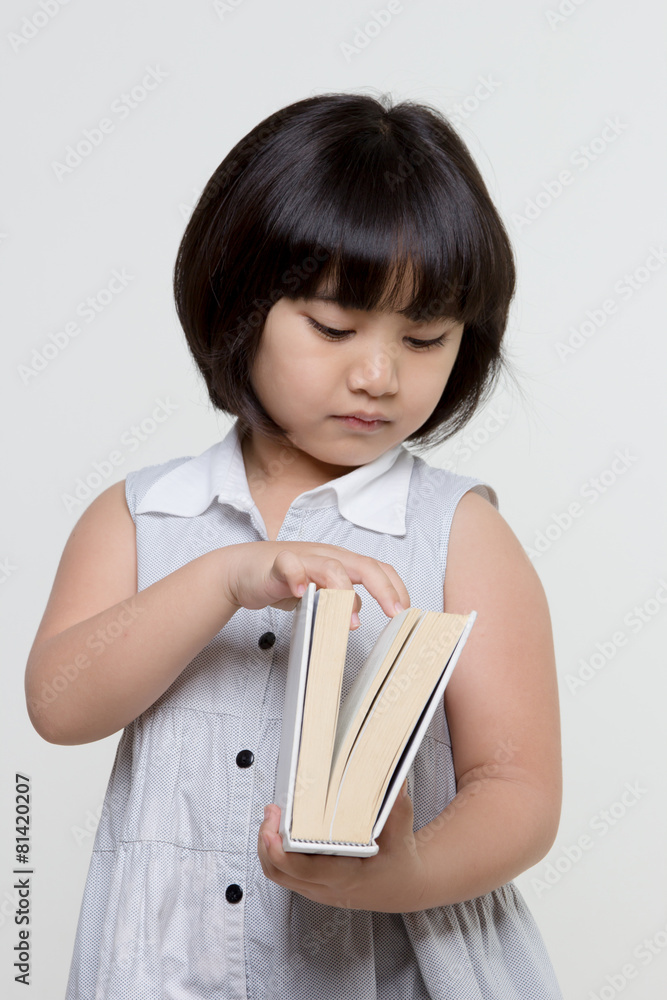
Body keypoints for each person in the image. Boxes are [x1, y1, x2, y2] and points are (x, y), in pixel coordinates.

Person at [25, 91, 563, 998]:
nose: (377, 374)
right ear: (237, 303)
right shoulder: (142, 515)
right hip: (164, 965)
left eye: (423, 337)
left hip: (385, 970)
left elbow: (518, 790)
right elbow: (59, 705)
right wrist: (225, 579)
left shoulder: (461, 532)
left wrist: (407, 873)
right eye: (332, 327)